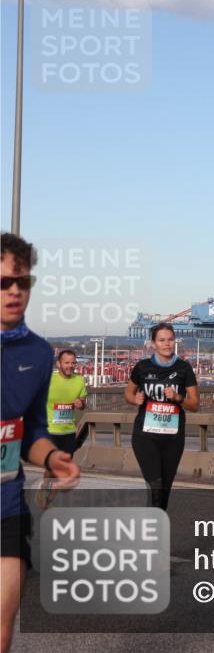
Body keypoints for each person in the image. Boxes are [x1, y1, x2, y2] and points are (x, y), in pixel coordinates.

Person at [2, 233, 81, 653]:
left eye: (23, 281)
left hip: (6, 504)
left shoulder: (38, 351)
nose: (15, 291)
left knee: (2, 625)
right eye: (3, 283)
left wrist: (51, 455)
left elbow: (31, 429)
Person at [124, 322, 200, 510]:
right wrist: (136, 400)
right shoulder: (142, 367)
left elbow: (195, 404)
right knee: (156, 487)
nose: (167, 344)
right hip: (145, 436)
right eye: (162, 340)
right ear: (153, 344)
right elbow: (127, 394)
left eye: (170, 339)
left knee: (164, 491)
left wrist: (177, 397)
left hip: (173, 438)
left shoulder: (184, 368)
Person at [46, 349, 88, 457]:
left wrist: (81, 404)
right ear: (58, 364)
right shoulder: (48, 379)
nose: (70, 366)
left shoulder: (80, 380)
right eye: (67, 363)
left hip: (69, 432)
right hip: (49, 431)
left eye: (73, 363)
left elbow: (83, 405)